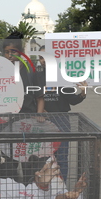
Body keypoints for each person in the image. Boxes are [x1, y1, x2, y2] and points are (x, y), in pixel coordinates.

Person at [37, 45, 87, 180]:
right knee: (43, 158)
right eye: (41, 58)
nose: (43, 60)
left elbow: (73, 100)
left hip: (62, 121)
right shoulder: (36, 77)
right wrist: (38, 111)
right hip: (43, 122)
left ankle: (62, 187)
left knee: (62, 158)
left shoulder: (63, 77)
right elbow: (30, 97)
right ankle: (45, 188)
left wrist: (83, 92)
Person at [2, 32, 45, 114]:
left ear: (21, 52)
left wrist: (39, 115)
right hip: (6, 120)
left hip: (28, 118)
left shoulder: (31, 71)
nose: (10, 55)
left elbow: (40, 98)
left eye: (13, 52)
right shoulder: (0, 72)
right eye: (7, 52)